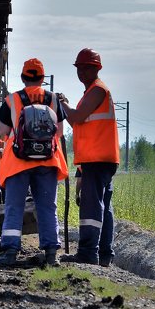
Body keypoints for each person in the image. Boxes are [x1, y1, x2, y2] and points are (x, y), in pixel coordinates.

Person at [0, 58, 68, 267]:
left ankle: (10, 251)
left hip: (18, 161)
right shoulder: (53, 100)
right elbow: (60, 132)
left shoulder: (12, 100)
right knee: (47, 206)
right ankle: (52, 253)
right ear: (43, 78)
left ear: (22, 77)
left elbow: (3, 132)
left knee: (15, 205)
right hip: (48, 161)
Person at [57, 48, 119, 267]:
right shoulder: (91, 93)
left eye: (86, 68)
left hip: (98, 159)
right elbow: (80, 124)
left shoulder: (97, 91)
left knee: (92, 206)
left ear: (97, 69)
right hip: (97, 159)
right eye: (79, 68)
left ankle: (87, 253)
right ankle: (104, 255)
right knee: (103, 205)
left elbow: (75, 117)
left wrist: (62, 103)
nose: (81, 72)